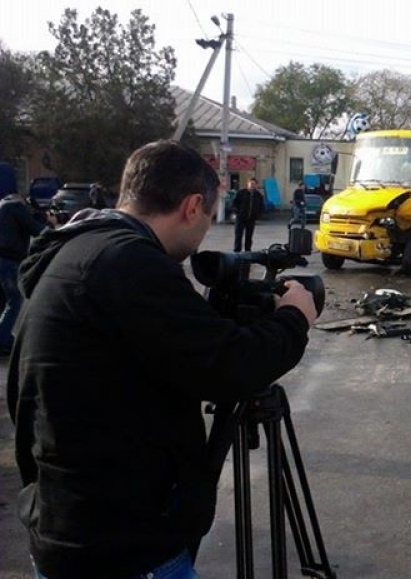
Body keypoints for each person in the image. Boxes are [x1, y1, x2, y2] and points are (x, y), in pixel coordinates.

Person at [7, 140, 318, 579]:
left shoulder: (77, 249)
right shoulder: (128, 263)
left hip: (70, 523)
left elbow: (165, 347)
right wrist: (294, 318)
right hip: (120, 546)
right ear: (192, 206)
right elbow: (231, 367)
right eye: (208, 218)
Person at [0, 193, 55, 355]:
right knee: (15, 301)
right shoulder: (16, 208)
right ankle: (2, 340)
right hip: (10, 260)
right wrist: (51, 224)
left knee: (3, 301)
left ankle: (6, 338)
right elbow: (39, 231)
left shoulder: (2, 206)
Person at [231, 177, 264, 252]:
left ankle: (247, 253)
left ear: (256, 185)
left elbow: (261, 207)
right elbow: (234, 203)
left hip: (251, 219)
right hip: (240, 218)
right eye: (251, 184)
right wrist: (236, 212)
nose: (252, 185)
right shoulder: (241, 192)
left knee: (249, 237)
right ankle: (237, 253)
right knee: (238, 236)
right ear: (248, 184)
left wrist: (258, 215)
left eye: (254, 184)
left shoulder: (259, 195)